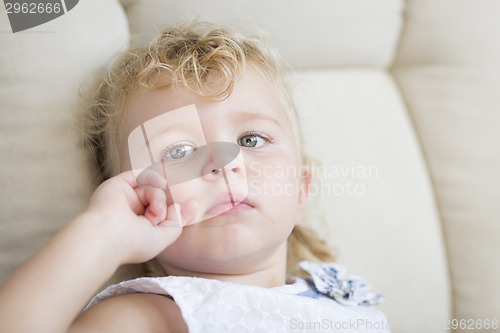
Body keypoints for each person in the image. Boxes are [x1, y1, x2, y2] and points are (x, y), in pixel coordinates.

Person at [0, 22, 389, 332]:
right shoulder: (157, 314)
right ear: (139, 200)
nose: (222, 164)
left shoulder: (343, 298)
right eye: (179, 153)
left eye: (251, 139)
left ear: (301, 190)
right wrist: (107, 232)